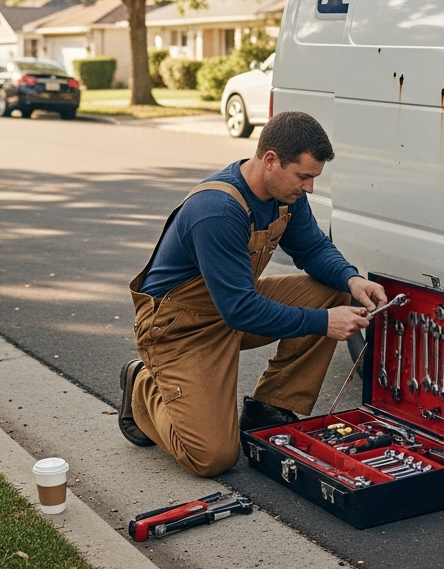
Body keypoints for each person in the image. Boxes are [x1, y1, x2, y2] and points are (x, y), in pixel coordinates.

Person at [117, 110, 386, 477]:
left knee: (332, 291)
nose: (309, 188)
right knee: (213, 458)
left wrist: (351, 279)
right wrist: (323, 323)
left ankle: (270, 406)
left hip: (230, 304)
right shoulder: (217, 210)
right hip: (178, 327)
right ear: (271, 160)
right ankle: (143, 386)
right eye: (303, 176)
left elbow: (311, 248)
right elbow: (240, 311)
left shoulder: (284, 195)